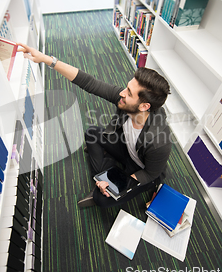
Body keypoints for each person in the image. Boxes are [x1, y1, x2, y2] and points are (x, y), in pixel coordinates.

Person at [17, 43, 172, 208]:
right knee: (91, 133)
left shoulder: (159, 143)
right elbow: (90, 83)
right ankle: (107, 175)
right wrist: (48, 60)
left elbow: (149, 174)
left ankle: (107, 177)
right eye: (126, 88)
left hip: (141, 169)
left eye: (129, 93)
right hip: (127, 149)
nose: (122, 93)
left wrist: (120, 182)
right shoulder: (126, 101)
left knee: (101, 199)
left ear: (144, 106)